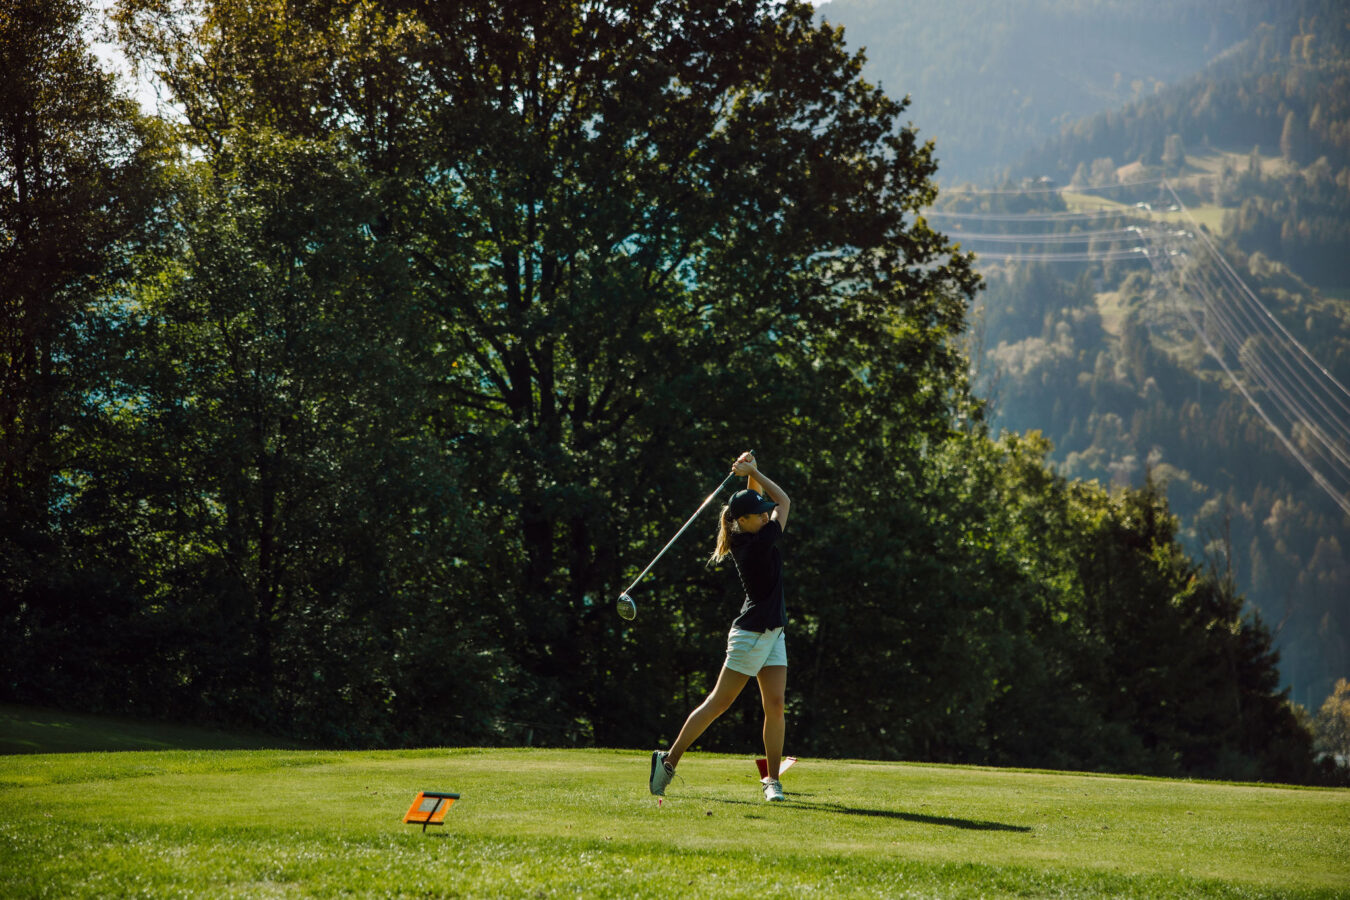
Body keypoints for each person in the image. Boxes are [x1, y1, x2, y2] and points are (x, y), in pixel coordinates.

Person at [649, 450, 792, 802]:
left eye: (763, 512)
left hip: (773, 631)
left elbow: (759, 500)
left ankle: (772, 780)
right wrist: (755, 471)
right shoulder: (754, 542)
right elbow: (783, 500)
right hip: (751, 635)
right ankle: (667, 761)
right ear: (743, 521)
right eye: (758, 513)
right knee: (718, 703)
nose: (764, 515)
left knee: (775, 706)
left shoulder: (749, 529)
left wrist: (749, 473)